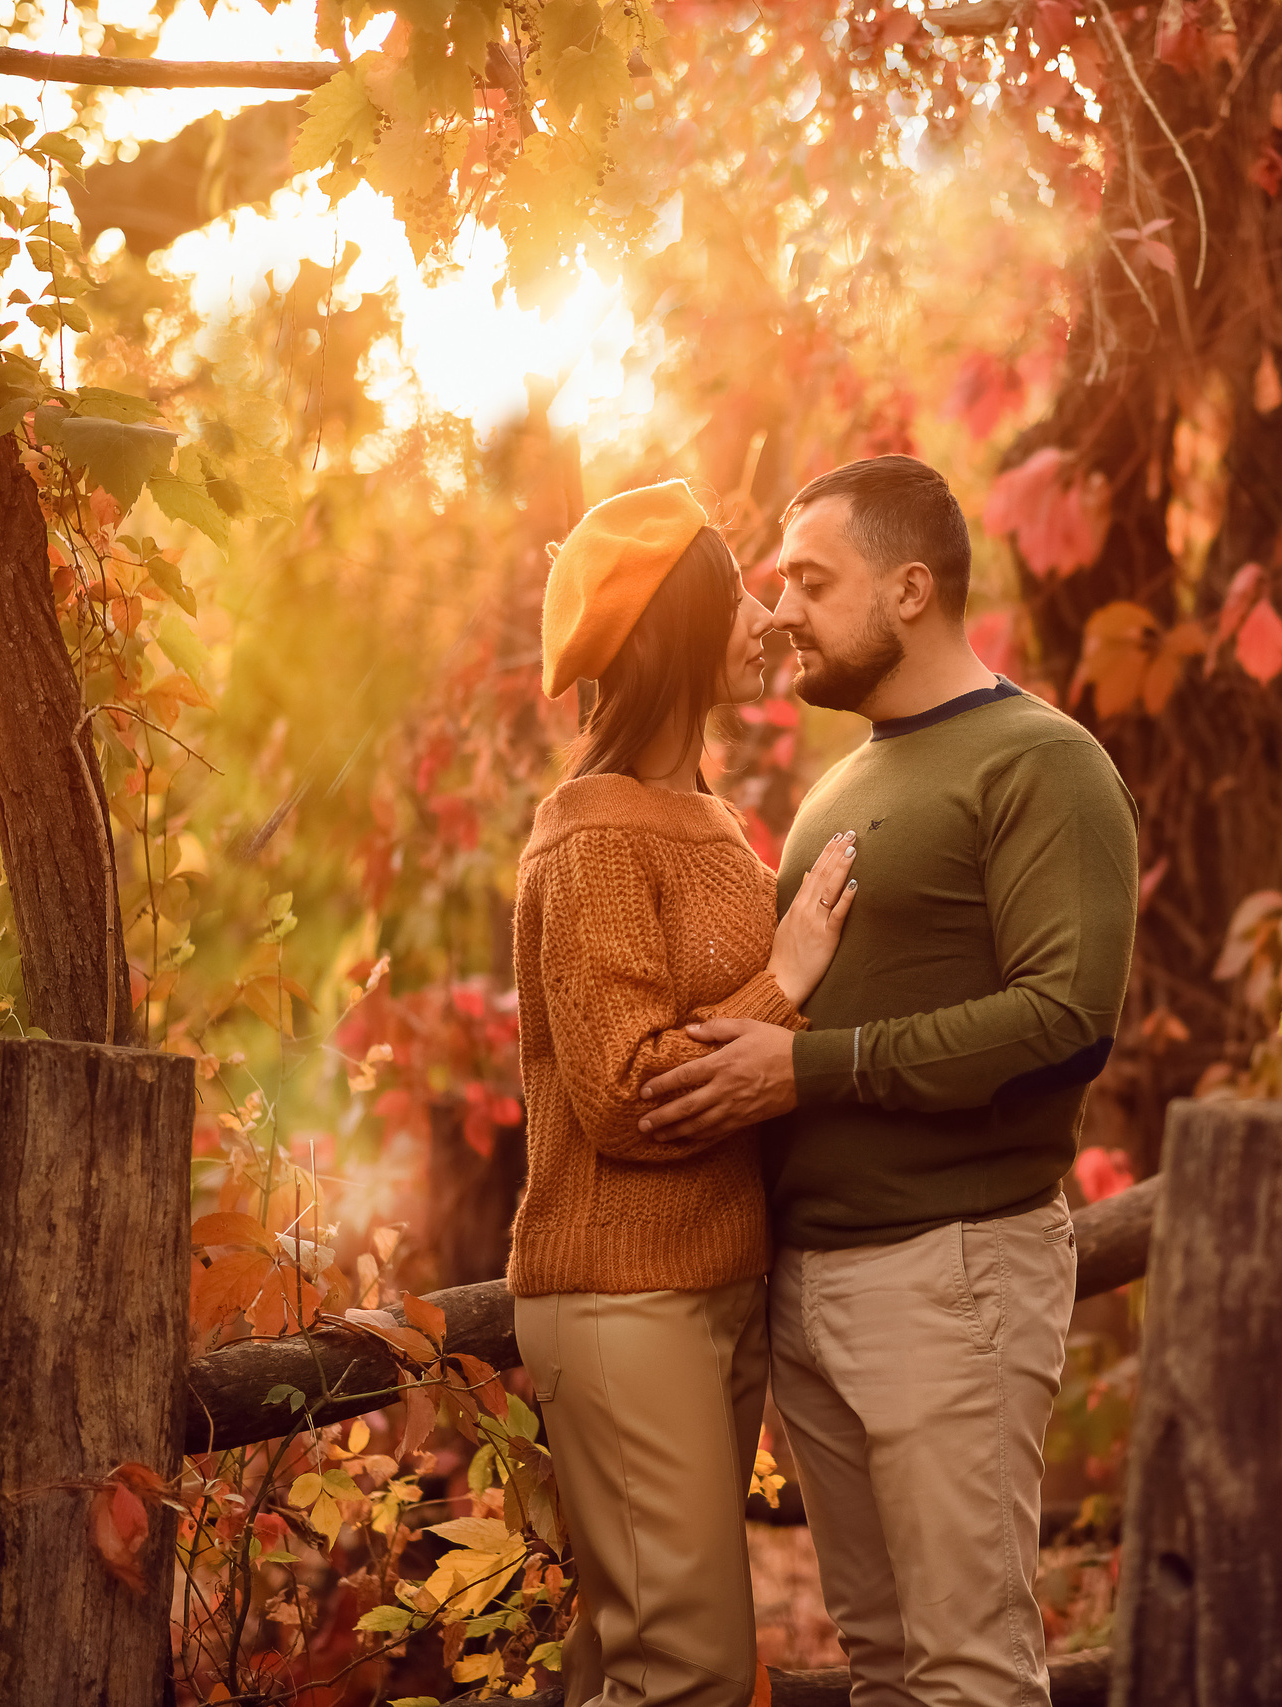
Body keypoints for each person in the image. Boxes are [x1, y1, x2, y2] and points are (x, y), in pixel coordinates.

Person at [634, 455, 1140, 1707]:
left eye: (812, 579)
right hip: (814, 1286)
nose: (782, 609)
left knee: (969, 1670)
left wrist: (808, 1071)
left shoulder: (1041, 762)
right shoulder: (842, 782)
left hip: (951, 1273)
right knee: (883, 1671)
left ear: (911, 588)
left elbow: (1064, 1018)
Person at [506, 478, 862, 1707]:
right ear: (675, 629)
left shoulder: (704, 818)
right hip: (620, 1297)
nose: (766, 614)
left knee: (638, 1663)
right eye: (741, 594)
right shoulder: (596, 837)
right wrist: (788, 983)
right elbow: (623, 1092)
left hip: (712, 1284)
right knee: (697, 1671)